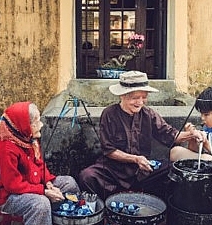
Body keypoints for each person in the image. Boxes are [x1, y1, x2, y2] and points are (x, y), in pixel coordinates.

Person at [78, 71, 204, 201]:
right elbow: (109, 151)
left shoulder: (148, 114)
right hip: (113, 171)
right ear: (122, 96)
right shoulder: (109, 114)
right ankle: (114, 203)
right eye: (135, 98)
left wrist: (191, 134)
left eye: (144, 97)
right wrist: (136, 159)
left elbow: (170, 134)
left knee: (174, 170)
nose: (140, 102)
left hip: (142, 172)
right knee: (86, 176)